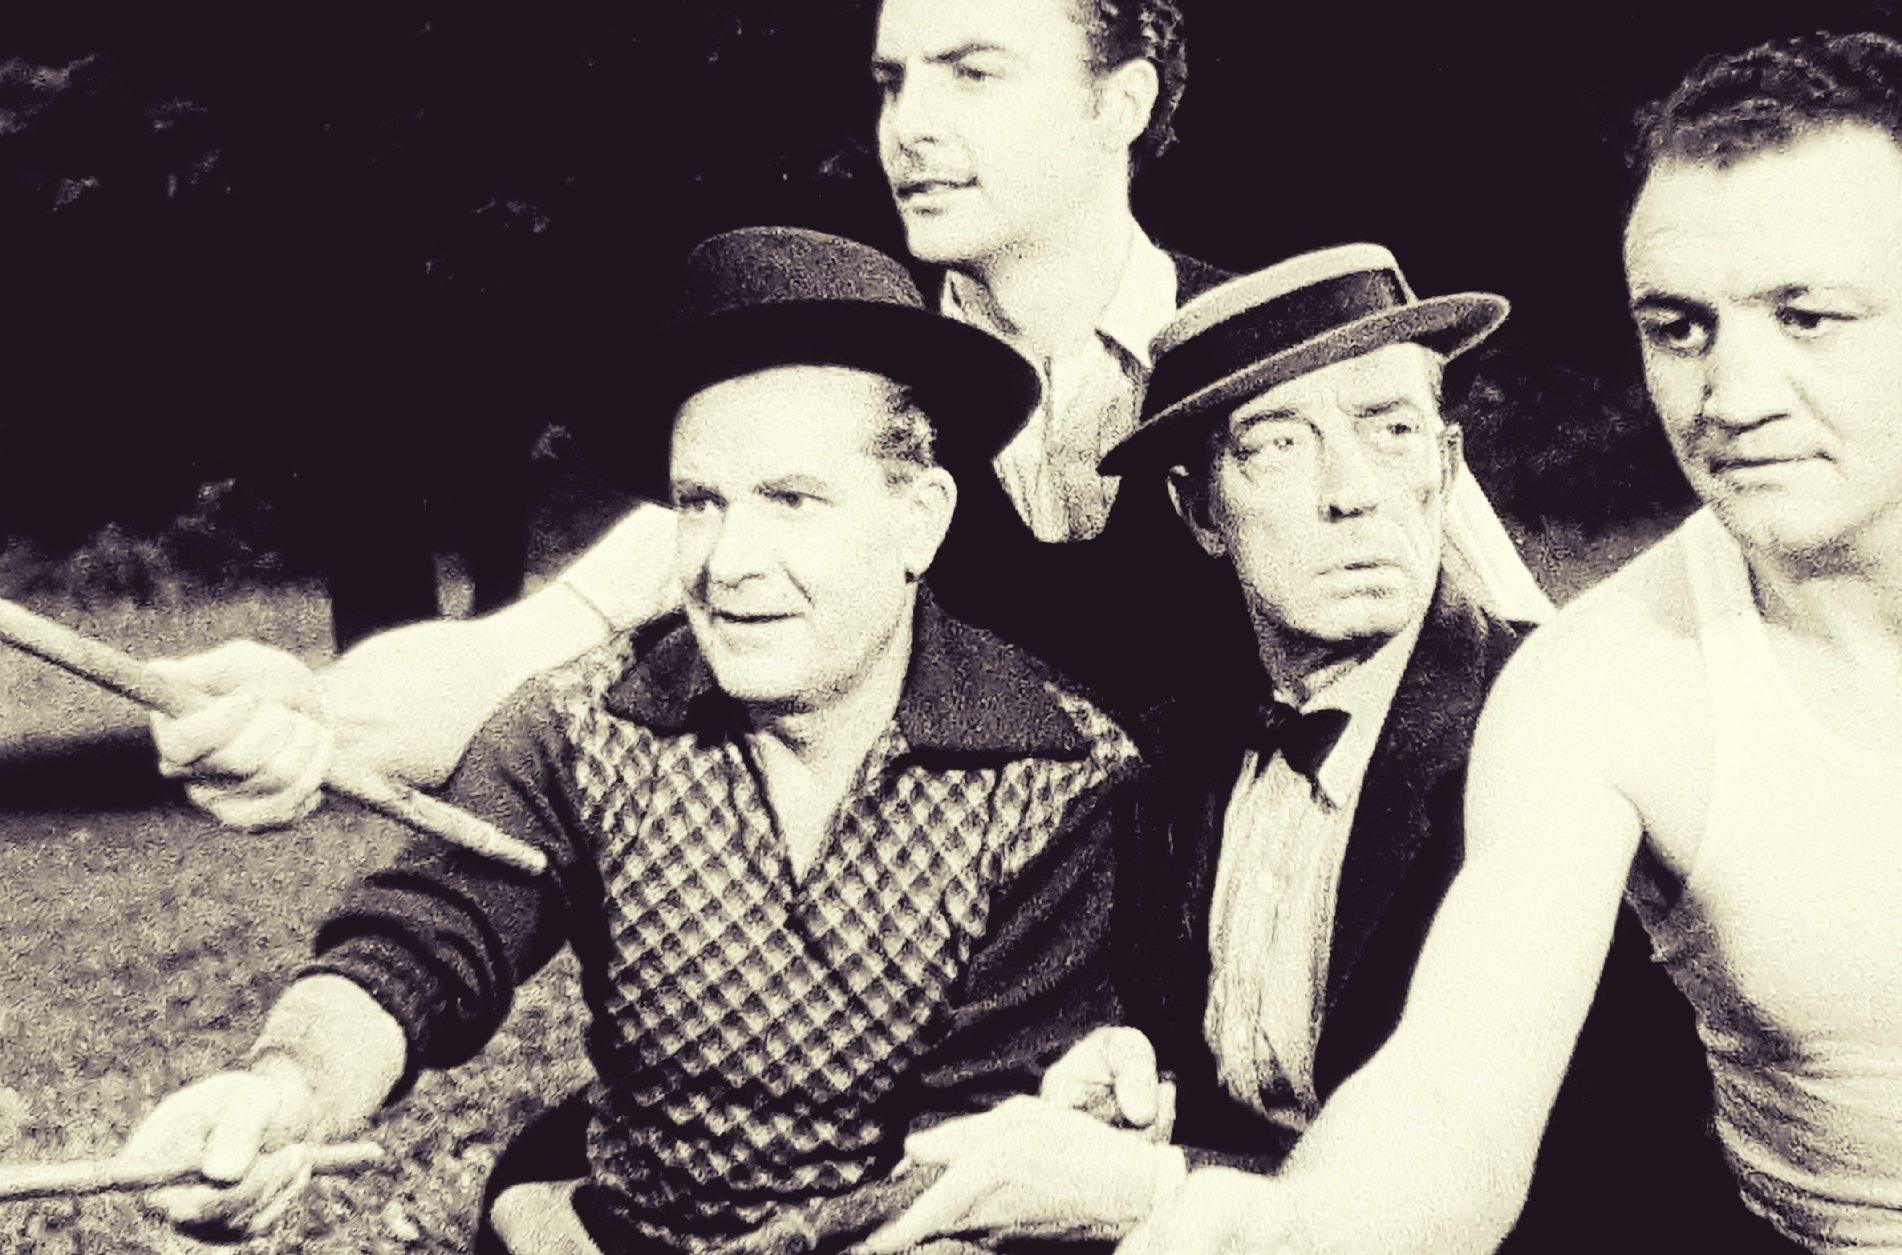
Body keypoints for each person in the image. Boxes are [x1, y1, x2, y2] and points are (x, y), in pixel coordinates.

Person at [1118, 31, 1902, 1255]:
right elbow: (1451, 1101)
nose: (1733, 395)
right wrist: (1287, 1229)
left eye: (1807, 317)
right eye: (1680, 327)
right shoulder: (1597, 681)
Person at [147, 0, 1551, 830]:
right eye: (892, 80)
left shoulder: (1285, 359)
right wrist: (306, 714)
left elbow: (1533, 668)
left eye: (972, 71)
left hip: (1245, 1007)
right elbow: (527, 645)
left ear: (1120, 101)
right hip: (960, 1024)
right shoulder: (838, 391)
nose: (908, 126)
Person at [122, 227, 1163, 1255]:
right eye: (699, 503)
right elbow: (418, 943)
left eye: (792, 500)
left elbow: (970, 1168)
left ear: (920, 519)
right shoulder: (583, 723)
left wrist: (537, 1221)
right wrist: (283, 1095)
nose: (729, 559)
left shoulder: (1056, 776)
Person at [854, 246, 1730, 1253]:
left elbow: (1601, 1180)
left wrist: (1153, 1183)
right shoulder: (1169, 763)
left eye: (1390, 429)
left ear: (1446, 467)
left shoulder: (1565, 724)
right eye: (1276, 445)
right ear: (1198, 510)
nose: (1350, 491)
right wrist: (1139, 1083)